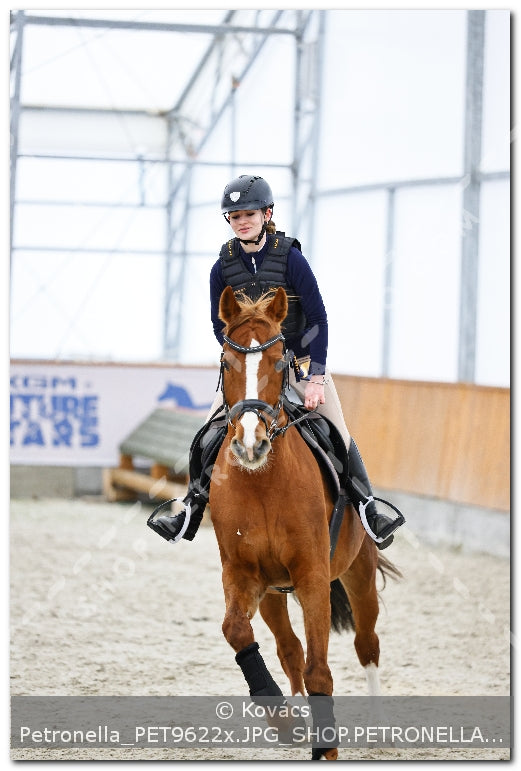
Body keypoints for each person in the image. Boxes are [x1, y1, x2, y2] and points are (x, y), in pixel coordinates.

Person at [149, 174, 404, 549]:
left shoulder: (291, 258)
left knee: (338, 432)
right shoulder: (222, 266)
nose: (241, 221)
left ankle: (368, 507)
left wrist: (316, 377)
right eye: (234, 217)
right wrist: (245, 362)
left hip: (298, 364)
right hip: (251, 371)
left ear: (266, 214)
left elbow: (318, 318)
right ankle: (191, 507)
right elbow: (218, 324)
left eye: (248, 214)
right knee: (207, 435)